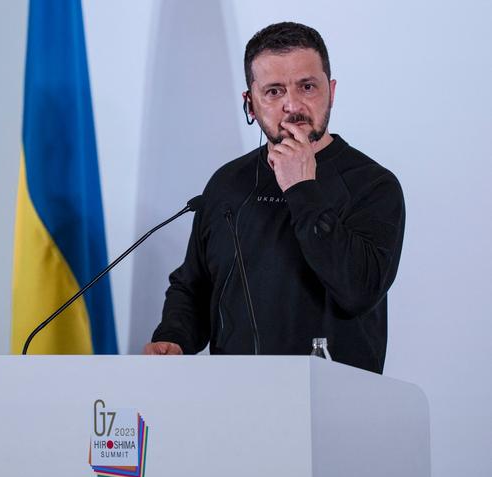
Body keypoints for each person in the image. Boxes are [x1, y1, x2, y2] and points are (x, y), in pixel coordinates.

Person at [143, 22, 405, 374]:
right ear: (250, 104)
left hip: (335, 410)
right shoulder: (227, 183)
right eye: (274, 92)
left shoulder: (373, 185)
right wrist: (175, 336)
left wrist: (302, 189)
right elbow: (194, 285)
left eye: (307, 87)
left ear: (331, 91)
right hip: (234, 401)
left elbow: (358, 289)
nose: (292, 105)